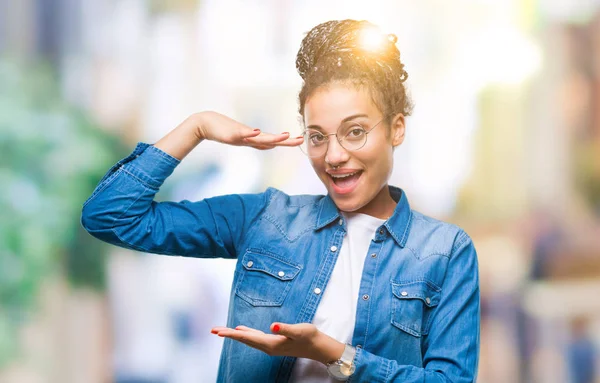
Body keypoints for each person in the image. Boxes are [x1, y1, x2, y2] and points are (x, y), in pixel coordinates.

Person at [81, 19, 480, 383]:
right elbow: (110, 216)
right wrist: (196, 127)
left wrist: (335, 354)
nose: (334, 155)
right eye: (318, 136)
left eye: (355, 132)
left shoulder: (445, 251)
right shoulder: (265, 219)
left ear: (396, 129)